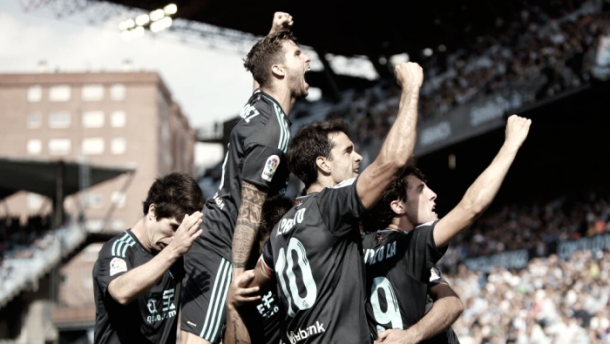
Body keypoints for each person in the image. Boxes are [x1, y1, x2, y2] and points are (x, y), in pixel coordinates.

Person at [249, 61, 424, 343]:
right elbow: (393, 161)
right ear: (323, 164)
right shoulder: (330, 206)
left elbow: (250, 285)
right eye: (348, 151)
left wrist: (233, 295)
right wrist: (412, 87)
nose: (358, 158)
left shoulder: (280, 229)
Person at [180, 12, 310, 344]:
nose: (307, 58)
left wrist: (273, 35)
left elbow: (260, 74)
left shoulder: (262, 105)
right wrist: (236, 275)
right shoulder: (271, 133)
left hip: (220, 239)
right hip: (221, 248)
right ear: (280, 71)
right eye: (298, 54)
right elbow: (250, 209)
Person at [364, 115, 532, 343]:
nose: (433, 194)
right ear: (398, 205)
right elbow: (472, 207)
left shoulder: (357, 250)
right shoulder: (409, 244)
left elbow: (452, 303)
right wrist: (511, 145)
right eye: (421, 189)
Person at [92, 172, 205, 344]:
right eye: (174, 227)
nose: (177, 237)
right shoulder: (118, 250)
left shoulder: (176, 252)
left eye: (182, 230)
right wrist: (174, 250)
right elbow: (121, 292)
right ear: (153, 211)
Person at [224, 195, 294, 344]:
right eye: (270, 248)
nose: (278, 255)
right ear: (257, 245)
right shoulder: (247, 287)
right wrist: (232, 306)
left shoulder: (306, 269)